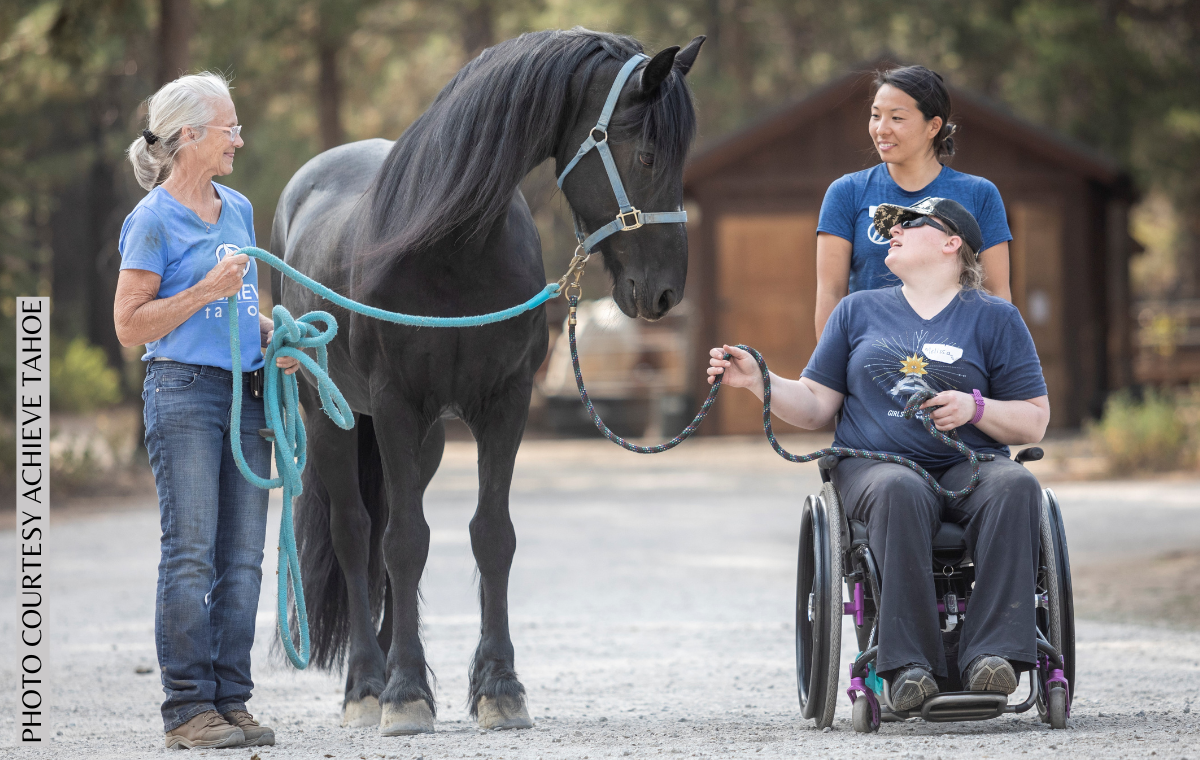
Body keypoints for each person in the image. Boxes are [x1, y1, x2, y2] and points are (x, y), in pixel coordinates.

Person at [709, 198, 1049, 712]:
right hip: (875, 465)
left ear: (951, 241)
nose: (891, 230)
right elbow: (817, 404)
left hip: (969, 463)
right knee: (899, 487)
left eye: (907, 223)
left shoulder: (995, 318)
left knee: (1017, 485)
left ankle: (993, 658)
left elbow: (1034, 418)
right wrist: (761, 381)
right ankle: (910, 666)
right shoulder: (857, 310)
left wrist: (974, 407)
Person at [113, 72, 297, 750]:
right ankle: (188, 708)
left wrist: (275, 338)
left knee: (243, 559)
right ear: (189, 135)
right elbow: (131, 325)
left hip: (247, 396)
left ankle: (231, 699)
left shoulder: (240, 209)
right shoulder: (153, 220)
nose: (239, 141)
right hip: (184, 393)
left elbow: (244, 308)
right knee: (191, 556)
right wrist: (205, 291)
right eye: (230, 128)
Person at [814, 65, 1013, 338]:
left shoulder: (980, 194)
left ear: (933, 126)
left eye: (897, 118)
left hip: (955, 360)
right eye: (875, 116)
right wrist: (831, 373)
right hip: (871, 360)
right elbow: (831, 293)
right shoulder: (847, 192)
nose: (881, 129)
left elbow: (996, 294)